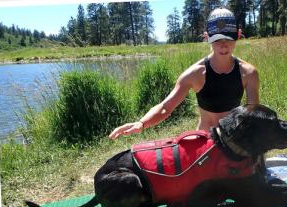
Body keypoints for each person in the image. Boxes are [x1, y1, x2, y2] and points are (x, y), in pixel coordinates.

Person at [109, 8, 260, 139]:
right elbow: (165, 107)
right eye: (217, 39)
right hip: (205, 138)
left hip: (233, 137)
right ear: (207, 37)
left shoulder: (248, 73)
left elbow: (253, 113)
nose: (223, 44)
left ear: (238, 35)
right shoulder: (195, 74)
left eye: (228, 37)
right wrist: (141, 123)